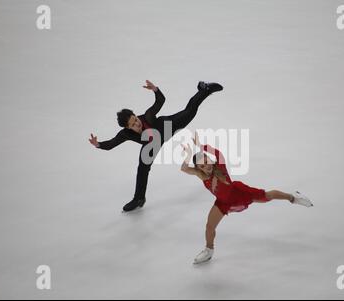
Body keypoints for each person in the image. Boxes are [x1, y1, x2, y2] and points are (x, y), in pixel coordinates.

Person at [89, 80, 223, 212]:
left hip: (167, 127)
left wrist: (155, 90)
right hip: (151, 145)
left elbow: (160, 101)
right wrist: (98, 144)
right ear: (127, 127)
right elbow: (112, 143)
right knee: (142, 168)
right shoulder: (126, 134)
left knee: (190, 111)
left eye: (135, 119)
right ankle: (139, 199)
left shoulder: (147, 116)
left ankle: (205, 90)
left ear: (136, 115)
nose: (137, 124)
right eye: (133, 125)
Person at [180, 132, 314, 264]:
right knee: (209, 226)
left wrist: (201, 145)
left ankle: (293, 197)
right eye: (202, 166)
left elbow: (218, 153)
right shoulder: (202, 175)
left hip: (239, 193)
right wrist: (188, 154)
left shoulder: (219, 166)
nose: (206, 166)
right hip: (223, 202)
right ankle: (209, 251)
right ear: (199, 168)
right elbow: (184, 168)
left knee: (267, 196)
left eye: (206, 162)